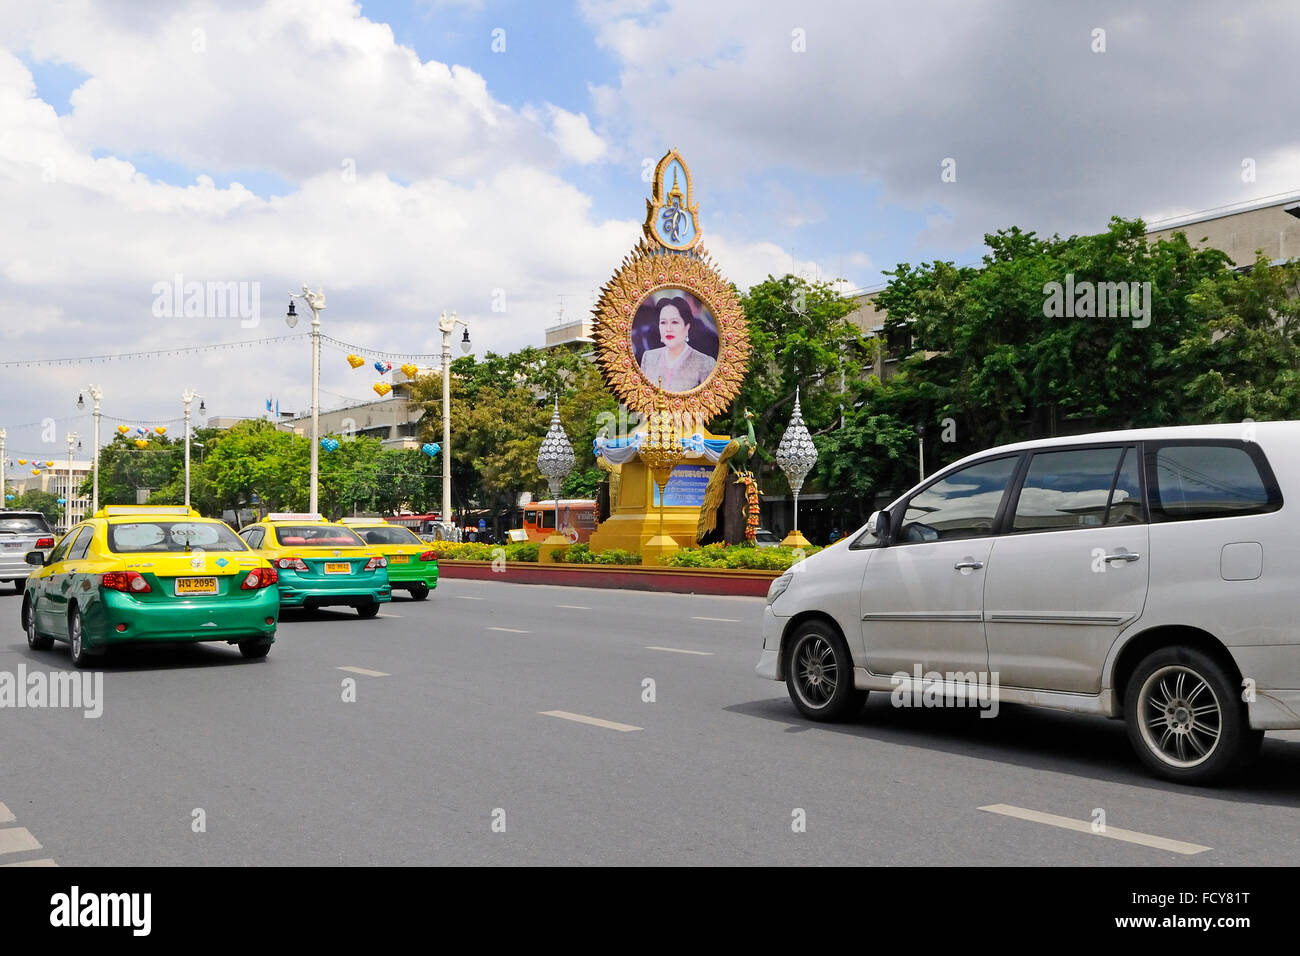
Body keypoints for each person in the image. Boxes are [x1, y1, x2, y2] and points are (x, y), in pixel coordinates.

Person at [638, 297, 716, 392]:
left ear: (687, 327)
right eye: (663, 322)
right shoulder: (648, 357)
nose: (668, 328)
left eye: (674, 322)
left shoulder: (706, 363)